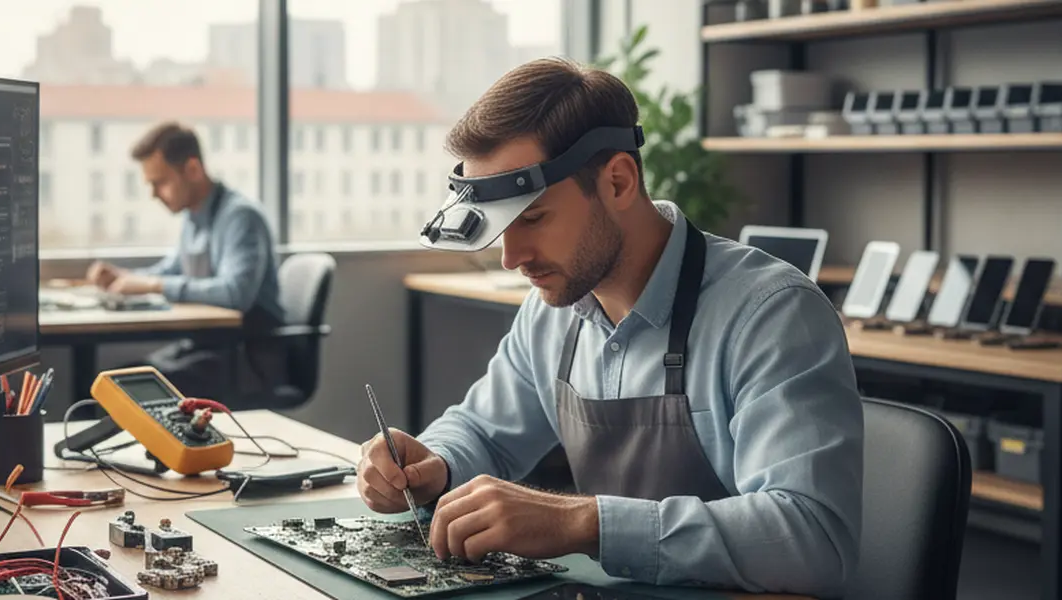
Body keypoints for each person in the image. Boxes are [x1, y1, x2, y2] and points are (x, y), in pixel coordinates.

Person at [356, 58, 863, 597]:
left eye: (532, 218)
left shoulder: (772, 314)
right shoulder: (552, 307)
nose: (512, 257)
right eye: (500, 226)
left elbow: (813, 539)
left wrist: (583, 522)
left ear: (618, 181)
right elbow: (483, 432)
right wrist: (433, 464)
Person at [87, 122, 284, 399]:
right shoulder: (194, 218)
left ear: (192, 169)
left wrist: (152, 285)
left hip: (245, 358)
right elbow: (170, 271)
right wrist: (122, 277)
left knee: (123, 392)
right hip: (204, 349)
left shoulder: (241, 217)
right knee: (115, 383)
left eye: (160, 182)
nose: (154, 194)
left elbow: (235, 293)